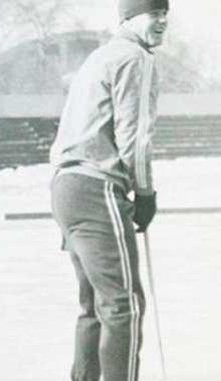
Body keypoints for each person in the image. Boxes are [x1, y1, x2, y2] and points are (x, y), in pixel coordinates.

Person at [49, 0, 169, 380]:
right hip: (95, 185)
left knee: (96, 306)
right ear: (129, 18)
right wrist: (145, 192)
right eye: (155, 13)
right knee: (124, 306)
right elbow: (134, 135)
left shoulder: (101, 56)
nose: (163, 21)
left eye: (167, 13)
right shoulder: (135, 57)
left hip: (66, 187)